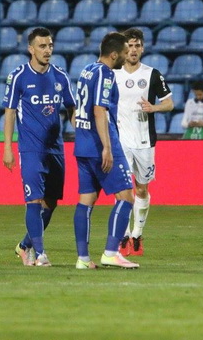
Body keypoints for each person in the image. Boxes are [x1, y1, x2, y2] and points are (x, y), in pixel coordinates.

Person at [3, 27, 76, 267]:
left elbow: (71, 110)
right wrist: (7, 148)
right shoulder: (18, 76)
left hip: (56, 149)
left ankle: (24, 246)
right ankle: (41, 253)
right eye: (42, 46)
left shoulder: (60, 76)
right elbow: (10, 112)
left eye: (50, 46)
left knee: (51, 203)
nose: (47, 50)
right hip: (30, 149)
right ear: (31, 49)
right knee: (33, 199)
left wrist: (83, 132)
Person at [73, 32, 139, 269]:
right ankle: (111, 252)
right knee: (126, 198)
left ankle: (82, 259)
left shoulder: (86, 70)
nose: (126, 55)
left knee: (86, 201)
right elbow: (99, 109)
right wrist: (107, 148)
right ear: (114, 54)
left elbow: (78, 110)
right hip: (101, 143)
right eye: (123, 52)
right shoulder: (105, 73)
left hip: (82, 144)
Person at [112, 28, 173, 256]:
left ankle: (137, 234)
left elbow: (169, 103)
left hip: (145, 141)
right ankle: (124, 236)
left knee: (142, 189)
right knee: (123, 190)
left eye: (137, 46)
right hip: (120, 141)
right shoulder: (113, 74)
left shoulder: (152, 74)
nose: (134, 50)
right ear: (123, 49)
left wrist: (154, 107)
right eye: (130, 46)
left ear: (142, 48)